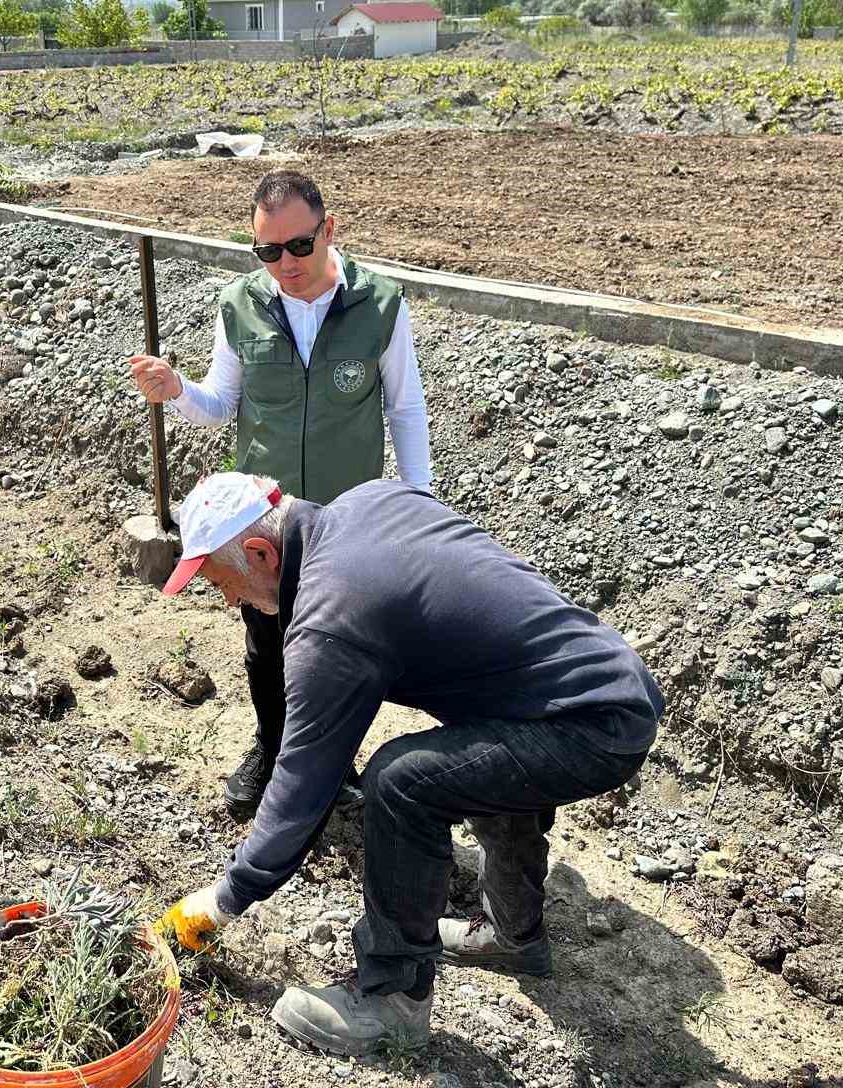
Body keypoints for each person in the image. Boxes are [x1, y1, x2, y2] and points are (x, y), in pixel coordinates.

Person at [156, 472, 665, 1058]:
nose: (230, 601)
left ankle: (393, 1000)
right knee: (475, 760)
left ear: (261, 552)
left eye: (225, 583)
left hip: (592, 729)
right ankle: (515, 937)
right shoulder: (374, 498)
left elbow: (305, 779)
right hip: (602, 688)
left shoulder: (331, 613)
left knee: (401, 781)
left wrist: (225, 897)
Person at [128, 171, 431, 820]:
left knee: (338, 649)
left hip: (344, 520)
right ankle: (271, 749)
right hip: (262, 523)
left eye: (298, 246)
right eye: (268, 252)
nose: (285, 265)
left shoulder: (379, 304)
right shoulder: (240, 305)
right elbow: (217, 406)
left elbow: (406, 410)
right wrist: (176, 387)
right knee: (266, 641)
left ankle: (333, 760)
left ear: (329, 230)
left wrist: (418, 500)